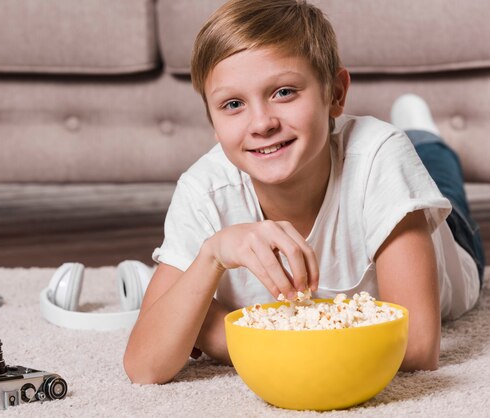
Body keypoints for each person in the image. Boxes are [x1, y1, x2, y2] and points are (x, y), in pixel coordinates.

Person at [123, 0, 485, 384]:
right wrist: (211, 255)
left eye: (283, 92)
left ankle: (423, 133)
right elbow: (144, 366)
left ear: (336, 94)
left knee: (436, 169)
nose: (261, 123)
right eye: (233, 104)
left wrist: (208, 329)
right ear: (212, 121)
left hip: (454, 245)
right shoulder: (204, 190)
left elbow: (415, 349)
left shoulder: (380, 155)